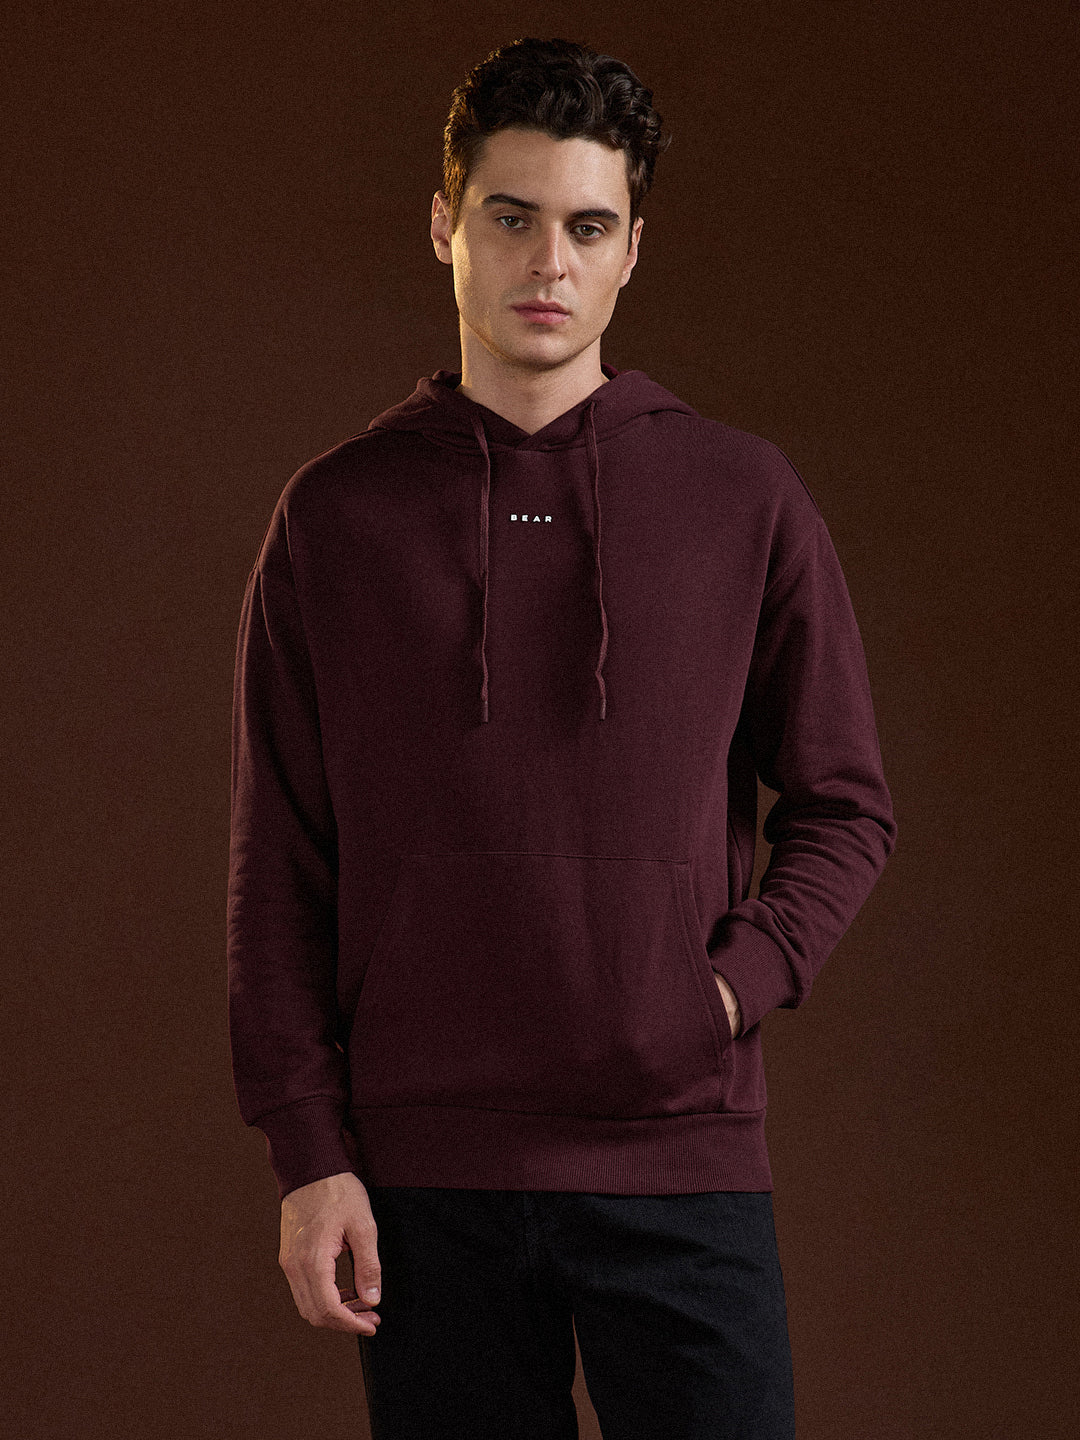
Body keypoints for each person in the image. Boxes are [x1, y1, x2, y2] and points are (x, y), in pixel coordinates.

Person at [226, 35, 897, 1440]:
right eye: (510, 216)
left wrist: (726, 991)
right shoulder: (336, 518)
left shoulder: (742, 496)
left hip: (680, 1154)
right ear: (444, 223)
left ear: (633, 248)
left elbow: (845, 803)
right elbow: (277, 864)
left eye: (588, 227)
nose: (549, 262)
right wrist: (308, 1154)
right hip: (424, 1176)